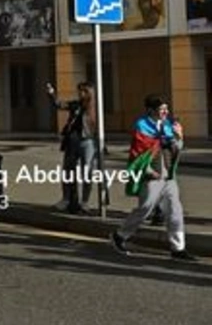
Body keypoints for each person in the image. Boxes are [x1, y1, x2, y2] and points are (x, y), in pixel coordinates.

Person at [112, 95, 196, 261]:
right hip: (152, 175)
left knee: (175, 210)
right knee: (145, 208)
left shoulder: (168, 125)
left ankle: (178, 248)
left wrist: (179, 137)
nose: (165, 112)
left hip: (168, 175)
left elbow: (176, 149)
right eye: (161, 109)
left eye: (166, 109)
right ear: (150, 110)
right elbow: (139, 153)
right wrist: (149, 170)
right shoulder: (142, 126)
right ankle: (119, 236)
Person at [46, 81, 96, 213]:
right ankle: (66, 199)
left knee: (87, 173)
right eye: (79, 91)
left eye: (83, 91)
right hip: (73, 141)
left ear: (89, 93)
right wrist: (51, 93)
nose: (80, 93)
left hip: (88, 141)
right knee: (68, 170)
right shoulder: (76, 105)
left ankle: (85, 202)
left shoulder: (95, 108)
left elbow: (98, 127)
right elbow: (59, 105)